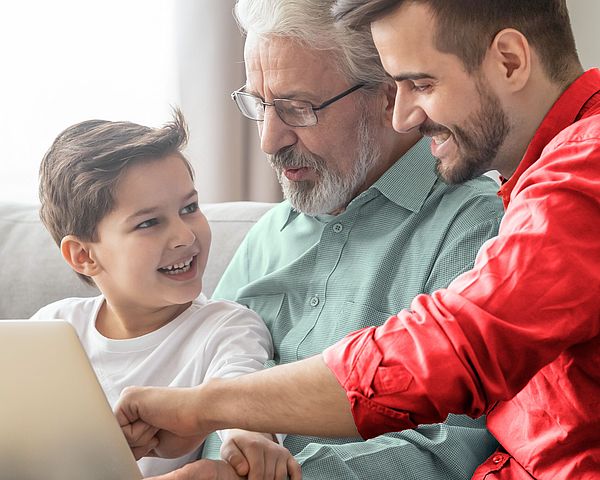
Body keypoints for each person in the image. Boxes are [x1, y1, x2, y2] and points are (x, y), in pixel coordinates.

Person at [115, 0, 600, 479]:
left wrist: (209, 408)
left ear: (510, 61)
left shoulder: (578, 171)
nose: (405, 116)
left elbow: (452, 351)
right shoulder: (545, 183)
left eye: (421, 83)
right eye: (260, 106)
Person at [32, 111, 300, 479]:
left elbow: (241, 395)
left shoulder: (225, 328)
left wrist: (249, 438)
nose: (185, 237)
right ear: (84, 256)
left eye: (189, 209)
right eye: (149, 223)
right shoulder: (52, 328)